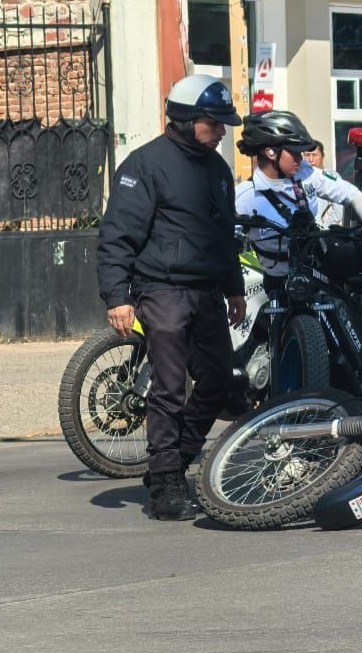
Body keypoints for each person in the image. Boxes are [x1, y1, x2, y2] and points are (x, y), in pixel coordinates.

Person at [96, 74, 245, 521]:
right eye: (213, 123)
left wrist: (234, 287)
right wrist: (117, 296)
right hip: (161, 289)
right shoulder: (145, 165)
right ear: (183, 119)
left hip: (207, 292)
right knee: (169, 388)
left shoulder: (218, 170)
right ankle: (164, 487)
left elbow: (223, 236)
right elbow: (116, 236)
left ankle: (176, 459)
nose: (221, 132)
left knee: (219, 381)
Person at [234, 110, 362, 288]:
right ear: (270, 152)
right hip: (280, 281)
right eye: (295, 152)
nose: (301, 158)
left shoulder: (305, 173)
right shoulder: (244, 198)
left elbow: (352, 194)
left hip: (320, 262)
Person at [301, 141, 345, 228]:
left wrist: (325, 228)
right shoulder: (298, 177)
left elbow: (339, 208)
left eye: (314, 155)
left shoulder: (332, 177)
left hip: (322, 232)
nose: (310, 159)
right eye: (307, 155)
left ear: (322, 156)